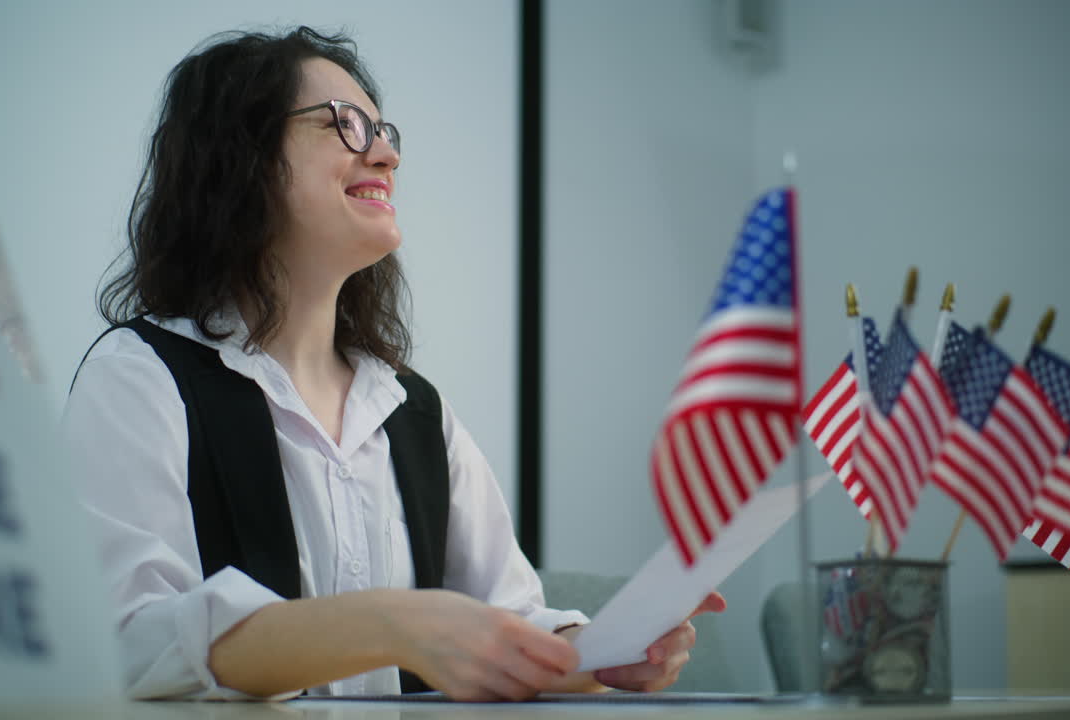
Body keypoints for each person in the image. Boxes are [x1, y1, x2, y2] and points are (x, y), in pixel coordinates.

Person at [62, 26, 725, 702]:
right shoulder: (140, 376)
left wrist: (607, 651)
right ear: (241, 159)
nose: (384, 154)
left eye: (384, 131)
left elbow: (514, 622)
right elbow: (128, 643)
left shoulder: (415, 410)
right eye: (344, 125)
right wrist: (394, 623)